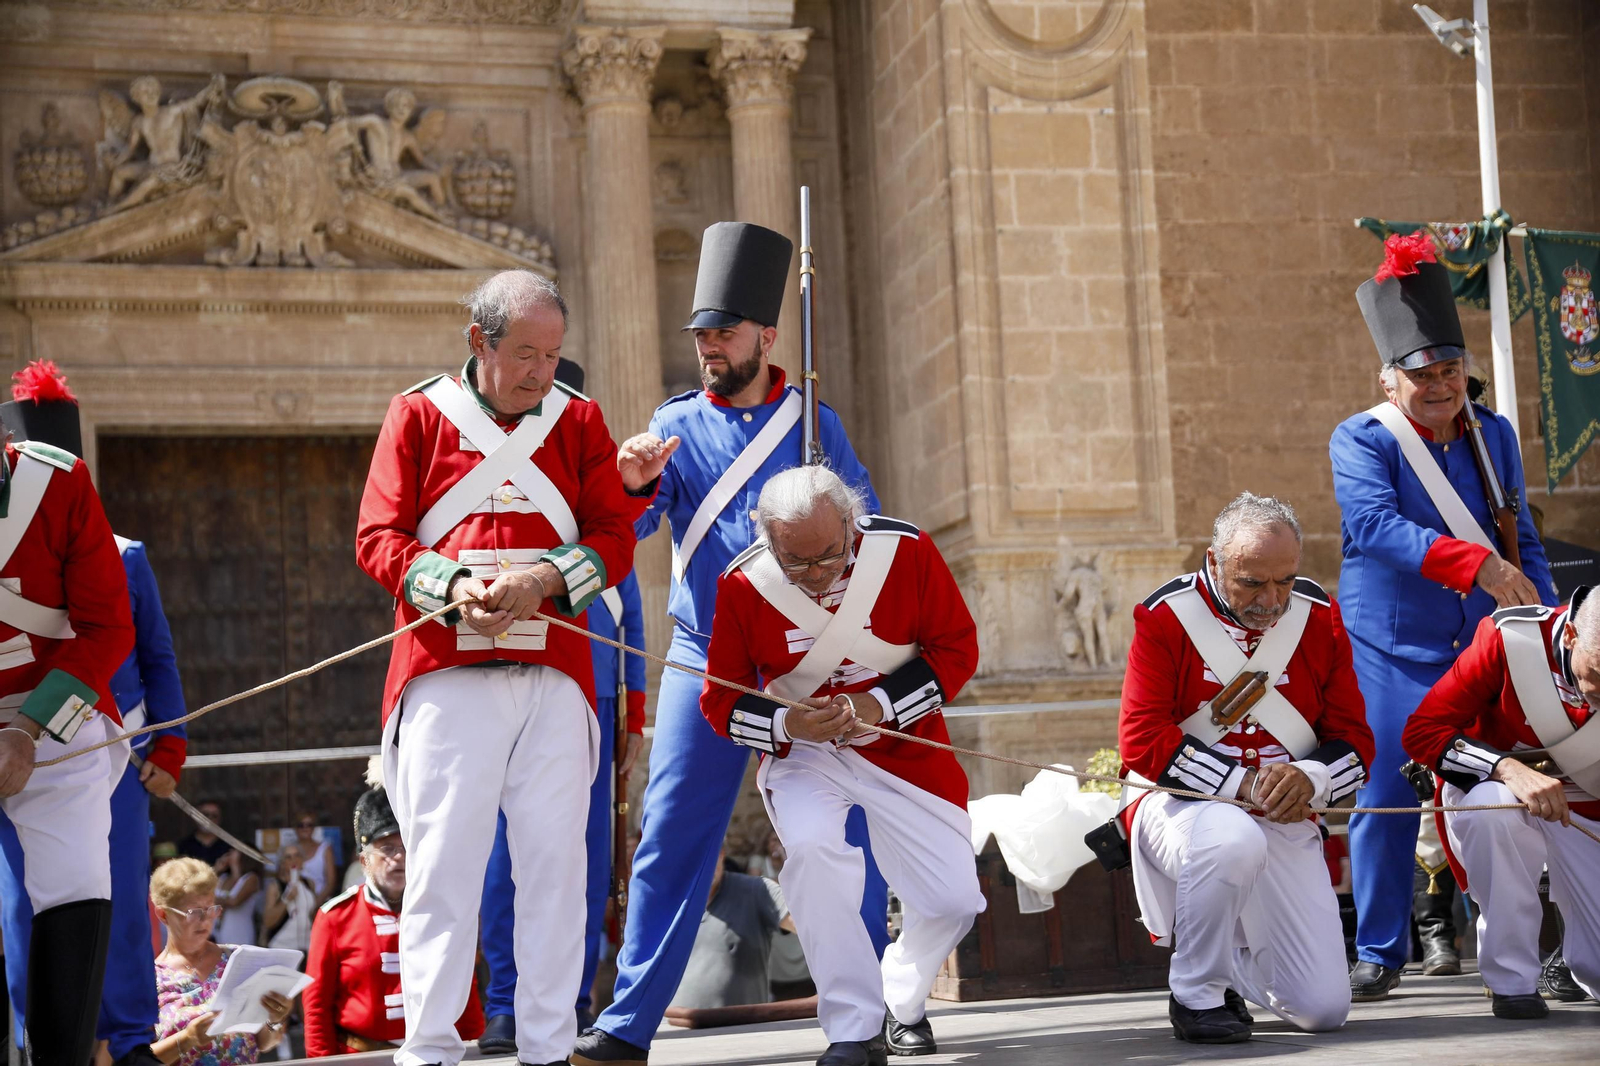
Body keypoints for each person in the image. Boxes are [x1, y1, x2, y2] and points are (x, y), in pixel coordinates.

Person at [577, 221, 887, 1066]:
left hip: (806, 660)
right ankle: (628, 1023)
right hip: (705, 654)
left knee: (841, 835)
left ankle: (872, 1010)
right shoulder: (673, 422)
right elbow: (628, 526)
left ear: (766, 335)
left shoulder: (815, 422)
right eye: (702, 334)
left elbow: (866, 531)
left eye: (724, 331)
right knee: (671, 836)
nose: (710, 346)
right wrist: (630, 481)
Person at [357, 268, 634, 1066]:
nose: (539, 373)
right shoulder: (415, 415)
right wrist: (454, 586)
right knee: (443, 872)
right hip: (446, 674)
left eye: (551, 355)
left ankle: (548, 1050)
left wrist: (543, 581)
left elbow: (612, 536)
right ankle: (432, 1051)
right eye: (523, 354)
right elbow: (378, 537)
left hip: (554, 677)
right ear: (478, 342)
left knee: (555, 872)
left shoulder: (579, 422)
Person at [1331, 234, 1557, 999]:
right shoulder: (1363, 438)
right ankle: (1380, 949)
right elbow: (1373, 526)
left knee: (1512, 788)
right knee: (1389, 791)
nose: (1438, 386)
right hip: (1392, 645)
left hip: (1485, 643)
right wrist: (1479, 568)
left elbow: (1517, 536)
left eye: (1450, 371)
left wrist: (1553, 627)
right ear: (1389, 381)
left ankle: (1520, 948)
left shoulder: (1492, 434)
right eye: (1421, 375)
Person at [701, 465, 985, 1066]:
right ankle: (852, 1031)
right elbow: (720, 701)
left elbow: (957, 648)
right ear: (769, 542)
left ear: (851, 523)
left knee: (954, 901)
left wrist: (876, 705)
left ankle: (901, 997)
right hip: (806, 755)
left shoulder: (905, 551)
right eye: (795, 563)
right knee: (811, 854)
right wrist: (789, 724)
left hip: (906, 747)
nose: (816, 575)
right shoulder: (742, 583)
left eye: (829, 555)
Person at [1115, 492, 1375, 1044]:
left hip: (1283, 811)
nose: (1273, 599)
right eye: (1253, 582)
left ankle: (1230, 968)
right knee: (1232, 838)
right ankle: (1197, 994)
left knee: (1322, 1010)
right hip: (1180, 801)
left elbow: (1354, 741)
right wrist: (1243, 784)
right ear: (1214, 561)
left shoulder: (1320, 619)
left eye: (1285, 580)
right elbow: (1142, 742)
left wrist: (1311, 778)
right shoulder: (1165, 618)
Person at [0, 386, 192, 1064]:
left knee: (94, 889)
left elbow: (134, 644)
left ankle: (122, 1038)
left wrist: (167, 745)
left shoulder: (96, 522)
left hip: (79, 726)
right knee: (16, 914)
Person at [478, 360, 650, 1053]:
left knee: (579, 861)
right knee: (499, 860)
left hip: (591, 704)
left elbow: (632, 629)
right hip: (501, 691)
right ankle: (502, 1004)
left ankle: (572, 996)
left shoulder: (601, 531)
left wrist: (632, 722)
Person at [0, 360, 136, 1062]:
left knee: (78, 878)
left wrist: (24, 729)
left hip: (56, 713)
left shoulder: (57, 482)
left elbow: (109, 627)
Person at [1402, 585, 1600, 1017]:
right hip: (1501, 794)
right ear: (1570, 637)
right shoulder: (1508, 639)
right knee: (1492, 809)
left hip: (1591, 805)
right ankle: (1512, 982)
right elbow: (1422, 732)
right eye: (1598, 673)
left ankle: (1573, 964)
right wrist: (1507, 770)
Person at [305, 766, 486, 1054]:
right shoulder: (335, 918)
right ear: (364, 861)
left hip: (435, 1056)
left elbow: (464, 990)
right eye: (387, 848)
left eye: (406, 846)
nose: (399, 857)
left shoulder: (441, 911)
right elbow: (316, 1006)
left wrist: (476, 1052)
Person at [150, 856, 295, 1063]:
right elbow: (137, 1058)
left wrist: (274, 1020)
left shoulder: (240, 959)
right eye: (193, 912)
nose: (205, 920)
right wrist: (187, 1039)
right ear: (163, 915)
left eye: (211, 909)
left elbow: (264, 1043)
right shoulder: (151, 978)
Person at [667, 846, 795, 1011]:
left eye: (710, 855)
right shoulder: (666, 899)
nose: (706, 866)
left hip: (740, 1031)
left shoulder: (756, 890)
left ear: (721, 854)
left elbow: (808, 927)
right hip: (675, 1028)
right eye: (697, 857)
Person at [261, 843, 315, 953]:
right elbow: (268, 921)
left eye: (297, 855)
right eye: (288, 857)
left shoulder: (308, 883)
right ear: (282, 863)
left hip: (306, 948)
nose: (293, 860)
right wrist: (286, 899)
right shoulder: (276, 886)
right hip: (282, 946)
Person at [214, 850, 262, 949]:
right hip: (219, 932)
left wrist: (213, 899)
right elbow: (200, 891)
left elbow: (234, 901)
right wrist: (216, 869)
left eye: (234, 850)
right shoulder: (223, 878)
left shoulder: (251, 878)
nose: (229, 853)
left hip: (240, 933)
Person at [294, 812, 339, 904]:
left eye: (309, 825)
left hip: (321, 901)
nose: (305, 828)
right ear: (295, 828)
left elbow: (331, 883)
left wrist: (315, 904)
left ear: (313, 828)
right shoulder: (290, 851)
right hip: (296, 903)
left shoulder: (325, 849)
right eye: (301, 825)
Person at [178, 802, 232, 868]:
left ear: (220, 819)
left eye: (214, 816)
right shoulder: (184, 846)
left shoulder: (228, 847)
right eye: (205, 815)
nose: (209, 819)